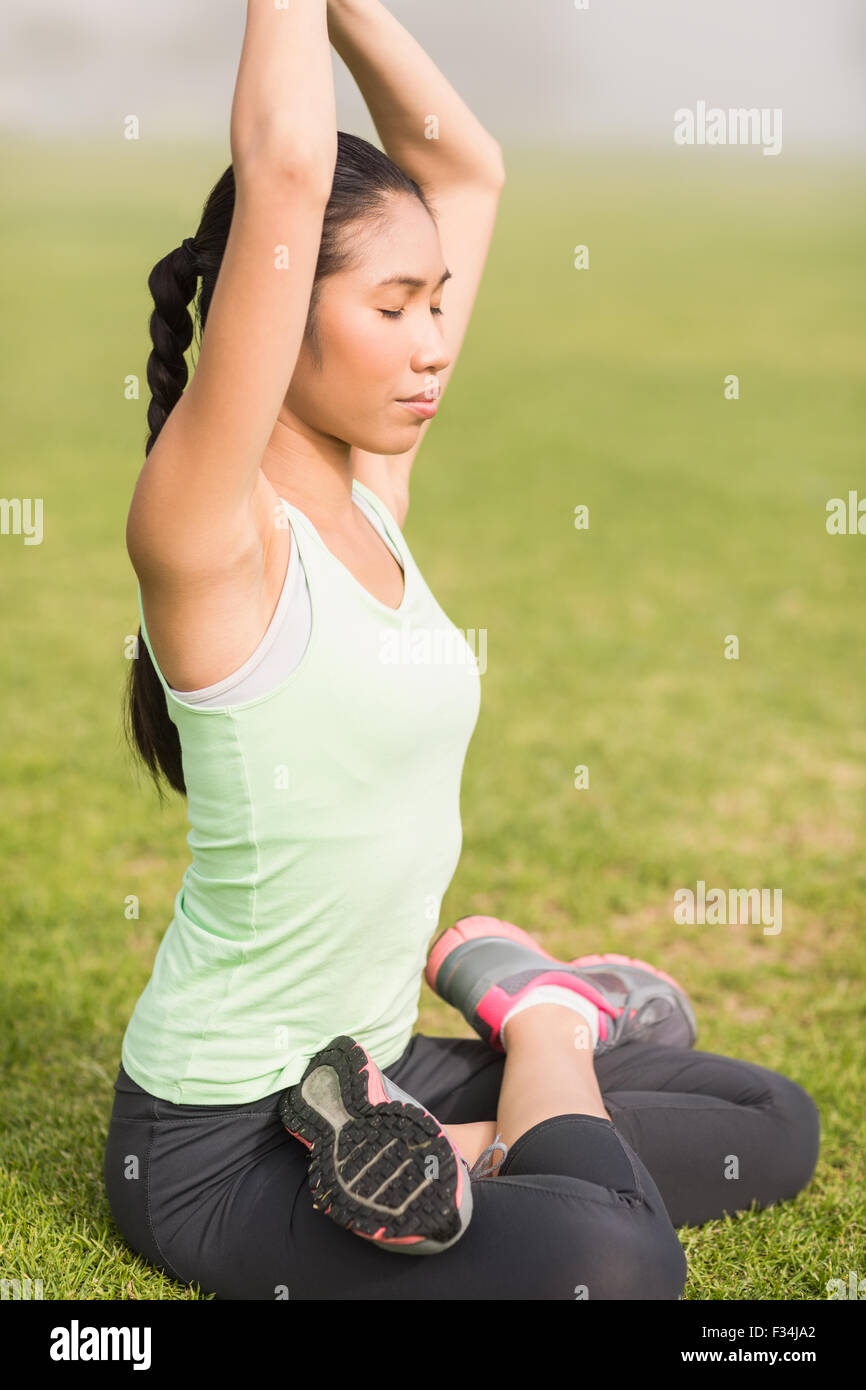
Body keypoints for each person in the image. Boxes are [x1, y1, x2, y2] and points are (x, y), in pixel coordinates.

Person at [104, 0, 819, 1298]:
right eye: (393, 303)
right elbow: (283, 169)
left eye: (438, 299)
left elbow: (465, 163)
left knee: (765, 1125)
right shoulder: (208, 528)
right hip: (215, 1140)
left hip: (364, 1057)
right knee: (613, 1259)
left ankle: (443, 1102)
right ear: (277, 310)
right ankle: (534, 1023)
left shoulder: (375, 483)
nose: (436, 341)